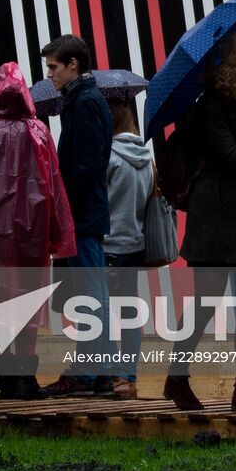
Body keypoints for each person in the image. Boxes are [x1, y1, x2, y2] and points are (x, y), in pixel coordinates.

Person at [163, 30, 236, 413]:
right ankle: (177, 377)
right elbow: (230, 158)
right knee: (205, 303)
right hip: (216, 215)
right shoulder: (208, 106)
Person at [0, 62, 77, 400]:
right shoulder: (38, 132)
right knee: (26, 301)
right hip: (30, 236)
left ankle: (6, 375)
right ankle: (24, 377)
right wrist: (56, 232)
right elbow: (53, 188)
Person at [40, 34, 115, 397]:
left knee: (88, 296)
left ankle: (89, 373)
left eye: (54, 67)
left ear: (73, 64)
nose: (50, 75)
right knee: (92, 294)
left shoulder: (84, 103)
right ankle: (102, 372)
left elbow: (85, 166)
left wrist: (60, 203)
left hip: (81, 216)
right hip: (87, 214)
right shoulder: (85, 99)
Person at [103, 97, 154, 400]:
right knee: (129, 315)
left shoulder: (107, 156)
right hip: (135, 244)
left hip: (108, 244)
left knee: (103, 315)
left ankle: (113, 379)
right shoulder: (146, 156)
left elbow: (98, 201)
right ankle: (129, 378)